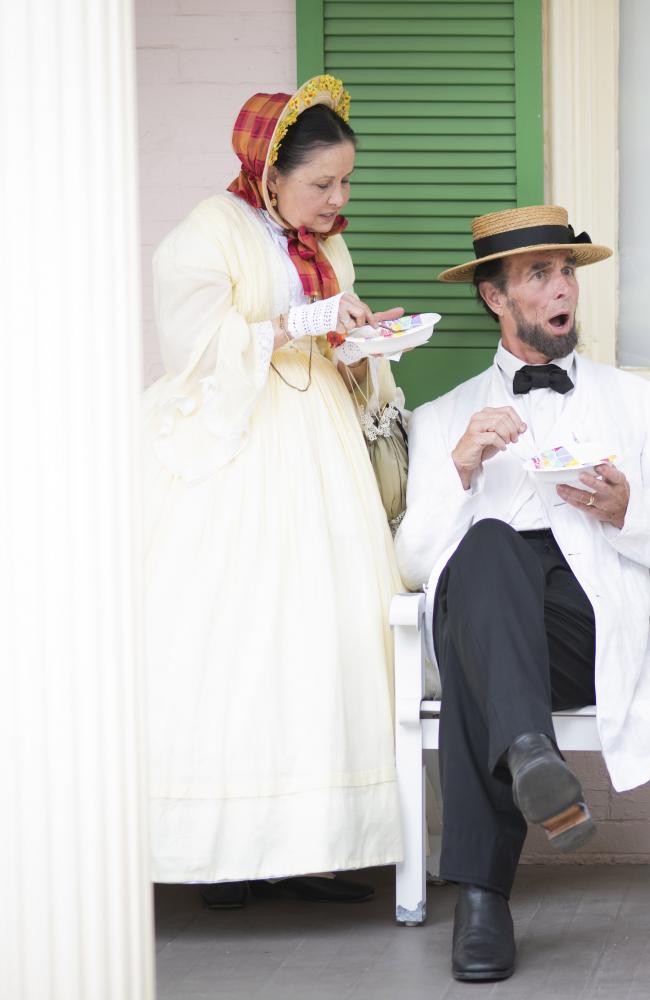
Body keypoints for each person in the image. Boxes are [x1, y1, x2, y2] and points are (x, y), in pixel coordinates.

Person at [395, 205, 650, 983]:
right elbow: (412, 562)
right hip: (485, 608)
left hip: (584, 623)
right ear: (496, 298)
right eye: (539, 274)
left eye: (567, 270)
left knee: (484, 658)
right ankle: (531, 753)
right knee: (490, 550)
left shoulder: (637, 404)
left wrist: (625, 509)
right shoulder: (441, 421)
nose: (562, 286)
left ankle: (482, 898)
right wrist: (459, 473)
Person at [142, 76, 406, 907]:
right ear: (269, 172)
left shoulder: (325, 248)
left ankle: (313, 845)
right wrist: (297, 324)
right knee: (238, 635)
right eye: (322, 183)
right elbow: (192, 347)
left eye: (346, 182)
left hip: (317, 447)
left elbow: (334, 353)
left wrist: (361, 343)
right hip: (237, 456)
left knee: (321, 635)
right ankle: (226, 852)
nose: (338, 199)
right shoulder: (206, 235)